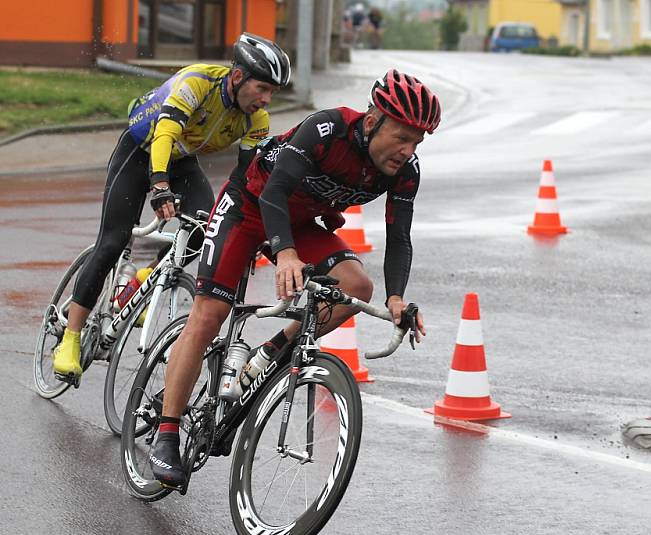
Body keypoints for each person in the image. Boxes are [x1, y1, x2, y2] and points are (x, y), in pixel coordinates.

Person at [148, 69, 441, 487]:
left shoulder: (404, 171)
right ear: (374, 121)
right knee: (210, 315)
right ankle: (167, 432)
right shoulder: (326, 129)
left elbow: (399, 236)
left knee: (357, 287)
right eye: (402, 137)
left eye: (417, 142)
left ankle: (272, 350)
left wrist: (397, 298)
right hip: (248, 209)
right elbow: (273, 192)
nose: (408, 150)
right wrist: (284, 254)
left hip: (300, 221)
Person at [52, 33, 291, 383]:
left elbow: (246, 180)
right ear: (238, 77)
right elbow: (164, 135)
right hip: (141, 150)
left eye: (273, 92)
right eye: (262, 89)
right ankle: (70, 337)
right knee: (113, 242)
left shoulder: (256, 121)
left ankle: (143, 281)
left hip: (181, 161)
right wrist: (160, 185)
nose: (267, 100)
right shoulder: (197, 82)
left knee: (205, 229)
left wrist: (255, 229)